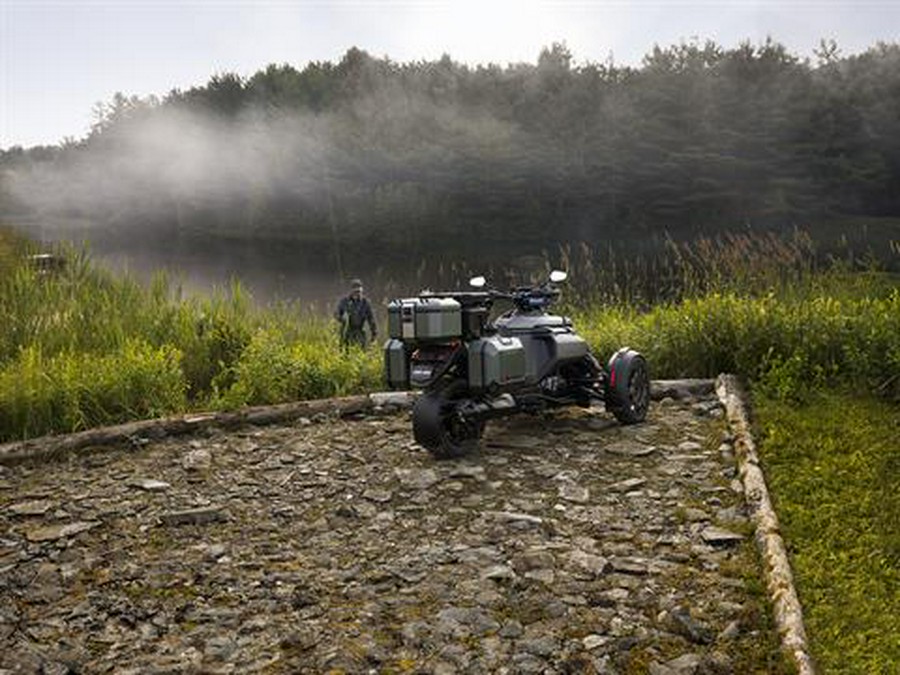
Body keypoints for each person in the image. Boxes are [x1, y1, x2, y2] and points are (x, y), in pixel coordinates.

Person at [334, 279, 377, 348]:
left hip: (360, 332)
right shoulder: (344, 302)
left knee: (360, 353)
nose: (357, 293)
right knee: (345, 354)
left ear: (361, 291)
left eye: (359, 292)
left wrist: (374, 334)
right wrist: (342, 318)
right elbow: (336, 314)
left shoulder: (365, 303)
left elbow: (371, 319)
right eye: (355, 291)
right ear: (351, 291)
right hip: (347, 333)